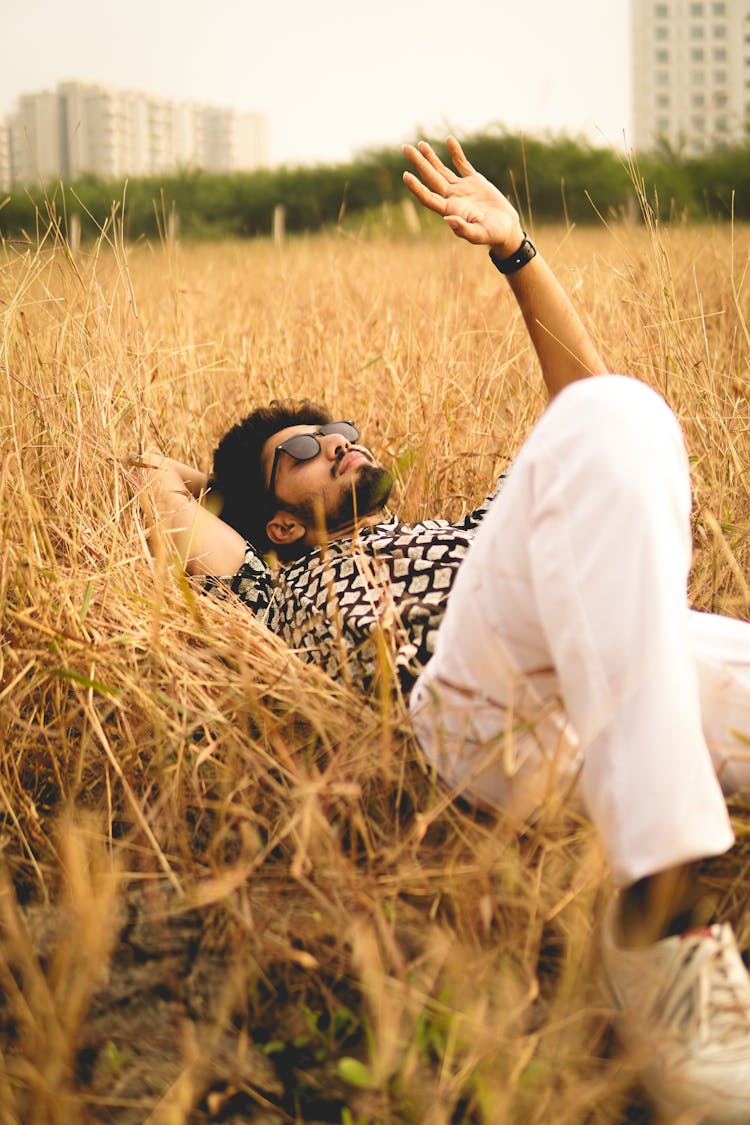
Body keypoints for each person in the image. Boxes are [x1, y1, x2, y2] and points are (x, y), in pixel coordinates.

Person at [130, 137, 750, 1119]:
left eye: (343, 430)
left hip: (629, 674)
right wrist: (176, 480)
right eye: (305, 447)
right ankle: (661, 929)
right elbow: (164, 504)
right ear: (280, 519)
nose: (341, 439)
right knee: (615, 417)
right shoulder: (276, 579)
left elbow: (589, 400)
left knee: (621, 417)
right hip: (473, 713)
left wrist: (518, 251)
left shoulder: (470, 531)